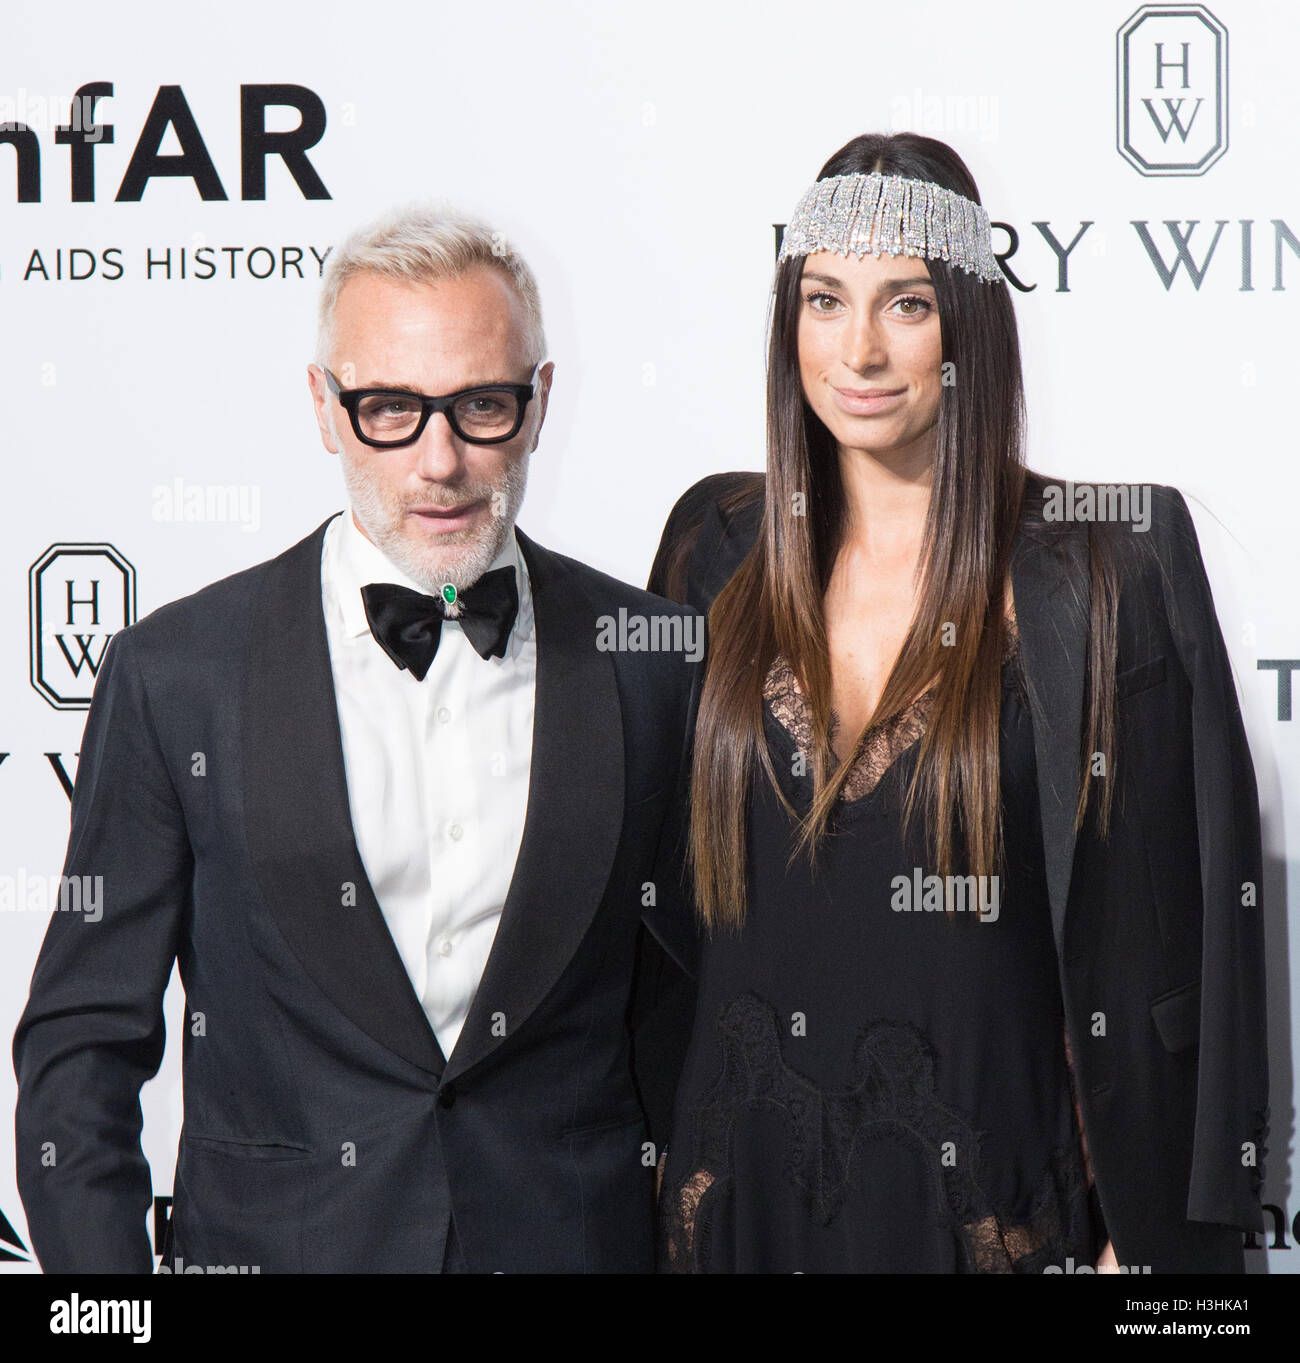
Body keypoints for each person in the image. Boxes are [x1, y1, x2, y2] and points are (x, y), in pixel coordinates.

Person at [13, 203, 701, 1274]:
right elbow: (80, 1046)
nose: (440, 461)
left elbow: (700, 1023)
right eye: (389, 408)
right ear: (326, 408)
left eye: (481, 405)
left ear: (540, 403)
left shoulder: (655, 662)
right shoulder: (178, 675)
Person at [648, 132, 1268, 1274]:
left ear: (969, 329)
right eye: (825, 300)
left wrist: (1160, 1239)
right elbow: (657, 913)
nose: (860, 350)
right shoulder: (712, 547)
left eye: (907, 304)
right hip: (732, 1190)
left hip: (987, 1194)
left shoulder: (1109, 561)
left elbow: (1185, 941)